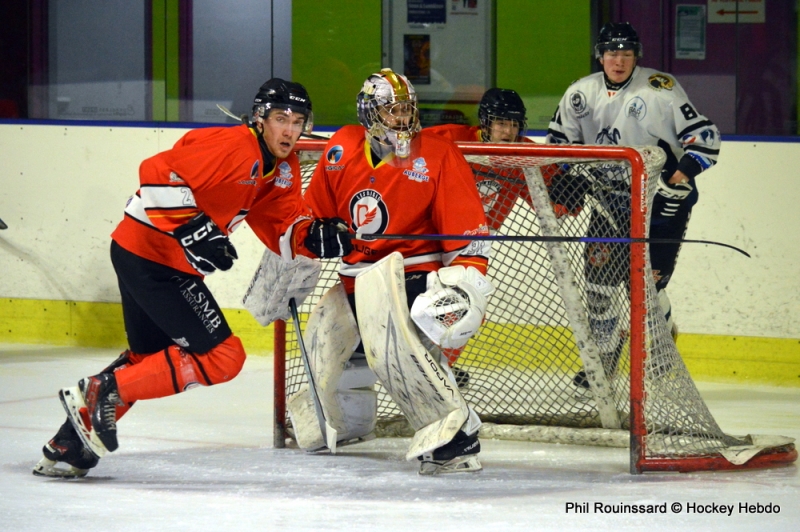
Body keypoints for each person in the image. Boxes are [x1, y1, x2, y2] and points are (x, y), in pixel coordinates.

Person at [33, 78, 352, 478]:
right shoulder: (237, 146)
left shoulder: (282, 168)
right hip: (154, 257)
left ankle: (67, 445)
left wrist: (313, 237)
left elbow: (282, 228)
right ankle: (102, 391)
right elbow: (156, 172)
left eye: (298, 120)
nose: (290, 130)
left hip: (146, 255)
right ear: (259, 119)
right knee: (224, 357)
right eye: (280, 118)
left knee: (148, 360)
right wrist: (194, 229)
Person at [300, 68, 492, 474]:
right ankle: (352, 422)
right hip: (355, 281)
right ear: (369, 113)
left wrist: (465, 286)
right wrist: (312, 237)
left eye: (407, 110)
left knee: (395, 353)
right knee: (324, 350)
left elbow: (467, 238)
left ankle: (456, 435)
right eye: (392, 111)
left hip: (408, 277)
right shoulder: (340, 149)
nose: (403, 119)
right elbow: (313, 216)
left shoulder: (438, 153)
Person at [545, 22, 721, 391]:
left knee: (646, 290)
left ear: (636, 56)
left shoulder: (661, 89)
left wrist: (679, 175)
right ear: (600, 56)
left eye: (626, 53)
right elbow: (560, 142)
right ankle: (605, 361)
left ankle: (660, 352)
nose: (618, 60)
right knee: (599, 290)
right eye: (611, 52)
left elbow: (705, 138)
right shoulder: (581, 93)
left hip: (660, 205)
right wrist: (567, 180)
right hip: (609, 202)